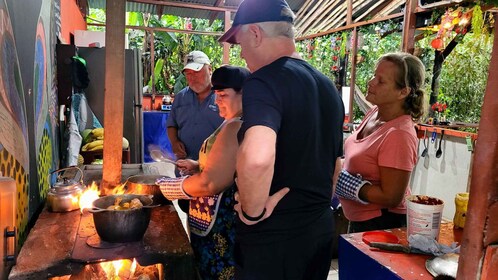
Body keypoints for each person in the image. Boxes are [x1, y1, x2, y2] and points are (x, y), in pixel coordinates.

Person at [218, 0, 345, 279]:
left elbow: (257, 158)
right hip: (319, 232)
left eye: (240, 44)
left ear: (255, 34)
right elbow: (336, 163)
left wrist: (252, 212)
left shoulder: (264, 81)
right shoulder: (328, 88)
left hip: (275, 239)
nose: (243, 55)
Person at [157, 65, 251, 280]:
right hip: (212, 216)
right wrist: (197, 165)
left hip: (221, 222)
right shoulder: (236, 121)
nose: (217, 100)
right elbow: (229, 166)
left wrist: (167, 188)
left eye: (223, 95)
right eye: (216, 95)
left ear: (244, 94)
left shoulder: (235, 126)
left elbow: (210, 184)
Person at [335, 52, 426, 233]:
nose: (371, 82)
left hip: (382, 223)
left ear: (403, 92)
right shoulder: (374, 113)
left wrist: (348, 185)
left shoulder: (399, 134)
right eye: (374, 76)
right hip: (361, 218)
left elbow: (392, 196)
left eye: (381, 81)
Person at [166, 50, 224, 212]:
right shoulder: (181, 97)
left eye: (197, 72)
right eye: (188, 73)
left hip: (215, 173)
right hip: (185, 171)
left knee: (213, 216)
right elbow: (172, 125)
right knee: (188, 210)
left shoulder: (223, 96)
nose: (192, 78)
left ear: (210, 69)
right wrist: (174, 142)